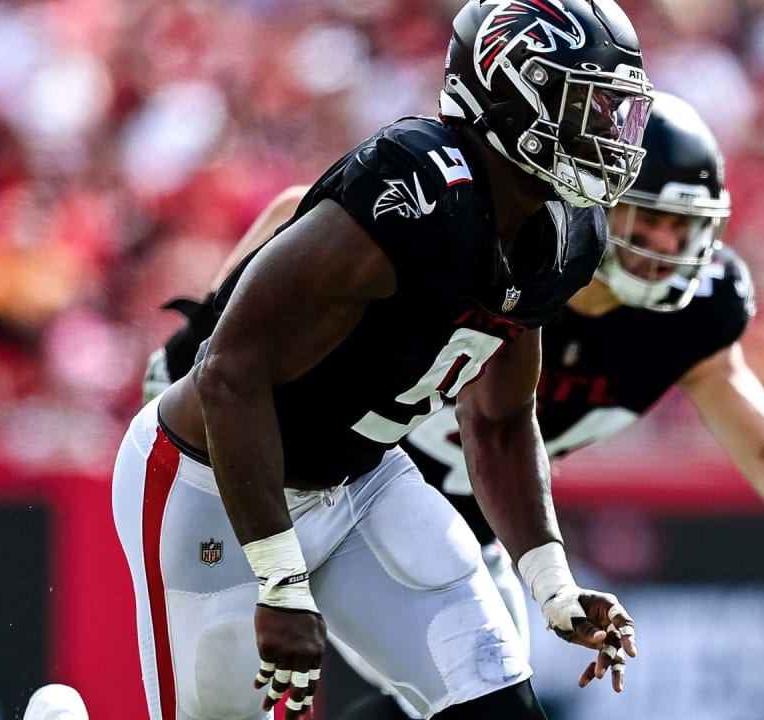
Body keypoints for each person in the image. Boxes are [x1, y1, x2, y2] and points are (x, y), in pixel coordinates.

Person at [147, 92, 764, 719]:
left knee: (487, 694)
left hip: (467, 519)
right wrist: (203, 339)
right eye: (654, 221)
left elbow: (762, 457)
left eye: (688, 228)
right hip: (347, 467)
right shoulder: (527, 243)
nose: (671, 246)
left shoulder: (686, 313)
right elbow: (308, 215)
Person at [113, 1, 655, 719]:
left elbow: (496, 421)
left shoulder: (566, 232)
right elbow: (230, 375)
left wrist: (553, 582)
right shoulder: (415, 190)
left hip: (362, 481)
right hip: (208, 484)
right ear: (510, 87)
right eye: (585, 102)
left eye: (613, 109)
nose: (605, 131)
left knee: (493, 699)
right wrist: (280, 579)